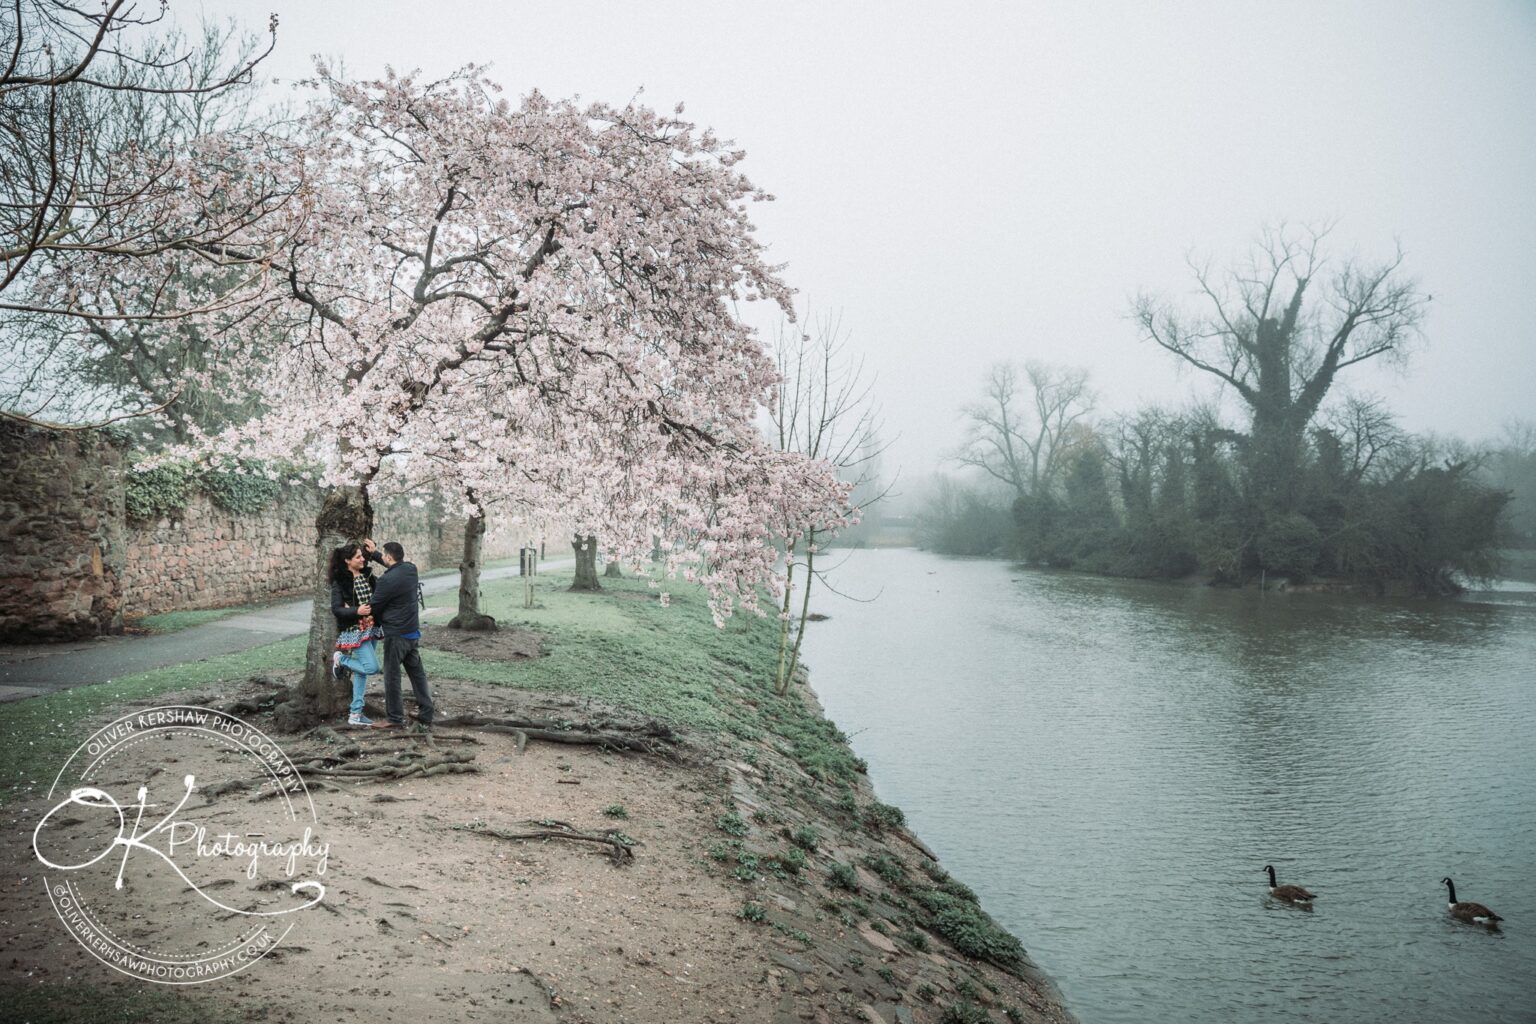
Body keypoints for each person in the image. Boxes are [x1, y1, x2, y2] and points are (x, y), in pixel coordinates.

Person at [360, 538, 435, 730]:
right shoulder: (411, 569)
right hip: (412, 633)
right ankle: (426, 713)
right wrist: (375, 552)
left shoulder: (386, 581)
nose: (382, 557)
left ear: (389, 556)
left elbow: (374, 607)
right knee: (417, 674)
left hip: (396, 636)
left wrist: (352, 611)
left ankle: (394, 718)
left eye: (383, 555)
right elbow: (391, 563)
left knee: (392, 676)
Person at [328, 543, 382, 727]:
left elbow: (379, 595)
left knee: (362, 673)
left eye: (362, 556)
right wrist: (355, 611)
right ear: (347, 561)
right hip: (355, 630)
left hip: (372, 628)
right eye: (358, 557)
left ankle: (355, 714)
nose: (363, 559)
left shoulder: (368, 575)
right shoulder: (340, 581)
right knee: (372, 668)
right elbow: (336, 609)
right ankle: (341, 660)